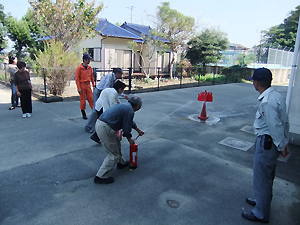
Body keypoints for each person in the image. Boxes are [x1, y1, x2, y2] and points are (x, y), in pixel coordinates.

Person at [241, 68, 290, 223]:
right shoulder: (276, 96)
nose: (253, 83)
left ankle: (260, 213)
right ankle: (261, 201)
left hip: (267, 143)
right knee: (266, 176)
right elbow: (284, 122)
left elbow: (275, 127)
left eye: (253, 81)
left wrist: (282, 147)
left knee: (262, 178)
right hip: (272, 143)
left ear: (256, 83)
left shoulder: (268, 102)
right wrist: (284, 142)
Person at [94, 95, 144, 184]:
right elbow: (126, 127)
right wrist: (129, 138)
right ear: (137, 105)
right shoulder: (129, 110)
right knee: (113, 154)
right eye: (141, 105)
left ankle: (121, 163)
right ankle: (101, 176)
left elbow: (129, 121)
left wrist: (138, 130)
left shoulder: (126, 106)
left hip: (104, 125)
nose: (141, 107)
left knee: (117, 142)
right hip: (105, 127)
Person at [85, 67, 128, 133]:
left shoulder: (114, 79)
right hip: (99, 92)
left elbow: (115, 90)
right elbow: (107, 89)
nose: (121, 76)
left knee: (102, 110)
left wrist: (123, 95)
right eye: (120, 74)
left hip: (105, 93)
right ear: (117, 73)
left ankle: (97, 126)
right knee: (96, 110)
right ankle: (88, 126)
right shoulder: (110, 77)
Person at [75, 53, 95, 120]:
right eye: (88, 60)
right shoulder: (79, 68)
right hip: (82, 84)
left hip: (88, 85)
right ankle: (83, 113)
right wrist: (78, 88)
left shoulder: (89, 68)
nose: (89, 61)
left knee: (91, 99)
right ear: (84, 60)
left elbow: (92, 77)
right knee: (83, 100)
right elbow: (77, 78)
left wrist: (93, 85)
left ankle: (94, 112)